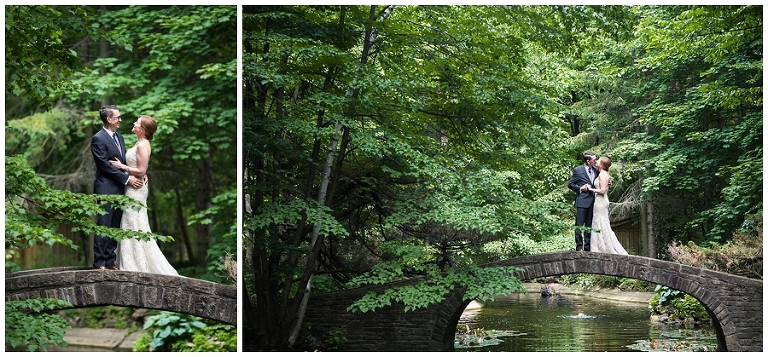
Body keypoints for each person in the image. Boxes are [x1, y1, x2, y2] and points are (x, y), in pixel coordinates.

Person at [110, 115, 179, 275]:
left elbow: (141, 170)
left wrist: (122, 167)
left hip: (136, 189)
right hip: (133, 187)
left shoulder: (143, 145)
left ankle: (137, 264)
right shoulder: (139, 143)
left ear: (143, 129)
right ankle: (130, 260)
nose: (134, 123)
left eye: (137, 123)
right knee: (130, 222)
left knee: (134, 222)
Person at [91, 105, 145, 270]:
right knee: (104, 224)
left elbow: (123, 162)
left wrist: (141, 174)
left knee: (115, 225)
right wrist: (127, 179)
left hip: (121, 188)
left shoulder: (120, 137)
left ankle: (109, 260)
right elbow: (105, 166)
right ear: (109, 119)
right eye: (117, 117)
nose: (120, 119)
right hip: (106, 188)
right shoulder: (98, 138)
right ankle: (99, 262)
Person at [587, 156, 628, 255]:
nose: (596, 161)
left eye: (598, 161)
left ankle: (604, 248)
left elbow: (602, 190)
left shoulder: (603, 175)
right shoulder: (602, 174)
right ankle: (599, 246)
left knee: (600, 222)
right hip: (599, 201)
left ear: (601, 165)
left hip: (601, 201)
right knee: (599, 222)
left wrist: (590, 189)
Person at [567, 151, 599, 251]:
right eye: (594, 160)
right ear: (588, 161)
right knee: (579, 225)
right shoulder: (578, 170)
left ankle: (588, 247)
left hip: (593, 202)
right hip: (582, 201)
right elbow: (570, 184)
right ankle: (579, 246)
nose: (596, 161)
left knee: (589, 226)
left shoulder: (596, 170)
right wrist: (581, 188)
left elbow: (599, 183)